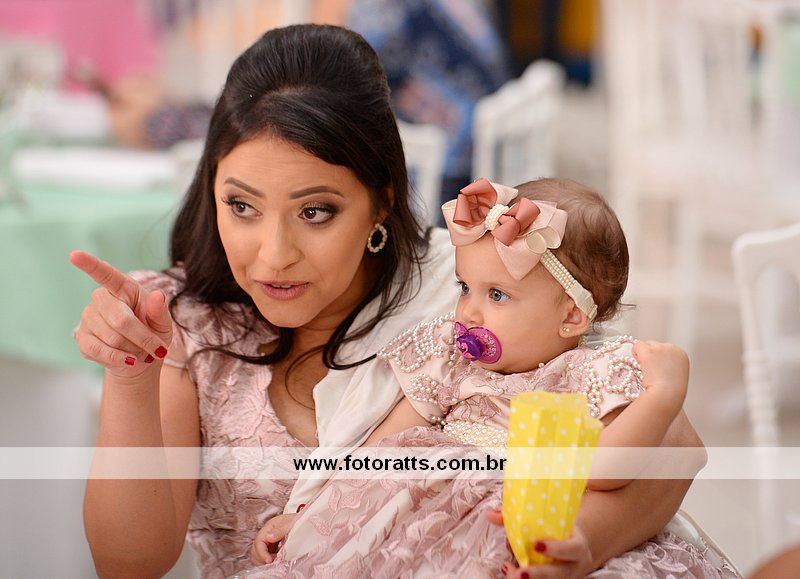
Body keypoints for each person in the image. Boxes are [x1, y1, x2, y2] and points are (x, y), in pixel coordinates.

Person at [70, 24, 706, 579]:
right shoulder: (185, 324)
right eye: (241, 205)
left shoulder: (464, 288)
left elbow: (675, 445)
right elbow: (130, 566)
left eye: (315, 212)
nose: (274, 255)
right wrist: (131, 379)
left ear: (381, 202)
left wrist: (577, 544)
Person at [244, 178, 739, 577]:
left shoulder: (593, 374)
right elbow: (382, 448)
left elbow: (605, 472)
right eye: (465, 287)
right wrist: (314, 513)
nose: (468, 312)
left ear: (571, 315)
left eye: (497, 295)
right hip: (416, 521)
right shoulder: (451, 359)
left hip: (517, 523)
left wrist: (662, 395)